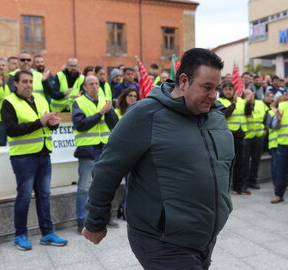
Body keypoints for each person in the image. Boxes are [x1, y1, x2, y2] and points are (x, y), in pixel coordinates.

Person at [81, 48, 233, 269]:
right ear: (183, 81)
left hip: (204, 238)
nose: (214, 95)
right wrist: (96, 222)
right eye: (207, 87)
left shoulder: (216, 116)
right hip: (162, 241)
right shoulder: (145, 114)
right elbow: (107, 170)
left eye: (216, 88)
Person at [1, 70, 68, 250]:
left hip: (44, 154)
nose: (29, 84)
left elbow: (46, 125)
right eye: (24, 81)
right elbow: (11, 130)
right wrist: (40, 122)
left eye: (30, 81)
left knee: (44, 196)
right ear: (15, 83)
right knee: (24, 197)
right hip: (23, 157)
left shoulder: (40, 99)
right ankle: (20, 235)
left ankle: (47, 233)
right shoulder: (8, 102)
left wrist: (54, 124)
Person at [71, 75, 118, 233]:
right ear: (84, 87)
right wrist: (100, 113)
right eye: (90, 84)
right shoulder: (78, 102)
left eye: (96, 83)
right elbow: (80, 125)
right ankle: (81, 221)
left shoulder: (105, 100)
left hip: (105, 148)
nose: (94, 86)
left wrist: (109, 110)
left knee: (104, 186)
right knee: (84, 188)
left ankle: (104, 218)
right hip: (87, 150)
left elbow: (114, 125)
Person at [217, 81, 253, 195]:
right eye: (226, 89)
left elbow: (247, 113)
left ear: (234, 91)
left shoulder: (241, 101)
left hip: (240, 136)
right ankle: (224, 188)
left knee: (240, 163)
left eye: (230, 89)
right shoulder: (219, 101)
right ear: (222, 91)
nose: (228, 91)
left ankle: (239, 187)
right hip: (227, 136)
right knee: (227, 164)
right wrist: (233, 104)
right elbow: (223, 115)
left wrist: (248, 103)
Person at [113, 88, 139, 220]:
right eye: (130, 95)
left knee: (131, 182)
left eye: (135, 96)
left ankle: (124, 208)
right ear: (124, 97)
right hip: (119, 152)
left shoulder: (138, 112)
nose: (133, 98)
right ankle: (121, 209)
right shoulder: (116, 112)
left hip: (134, 152)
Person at [243, 87, 268, 190]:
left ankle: (253, 181)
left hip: (258, 135)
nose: (249, 96)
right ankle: (244, 183)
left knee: (256, 160)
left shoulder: (260, 103)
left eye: (250, 94)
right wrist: (247, 102)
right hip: (247, 136)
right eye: (246, 95)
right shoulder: (242, 104)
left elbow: (267, 117)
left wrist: (265, 128)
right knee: (245, 161)